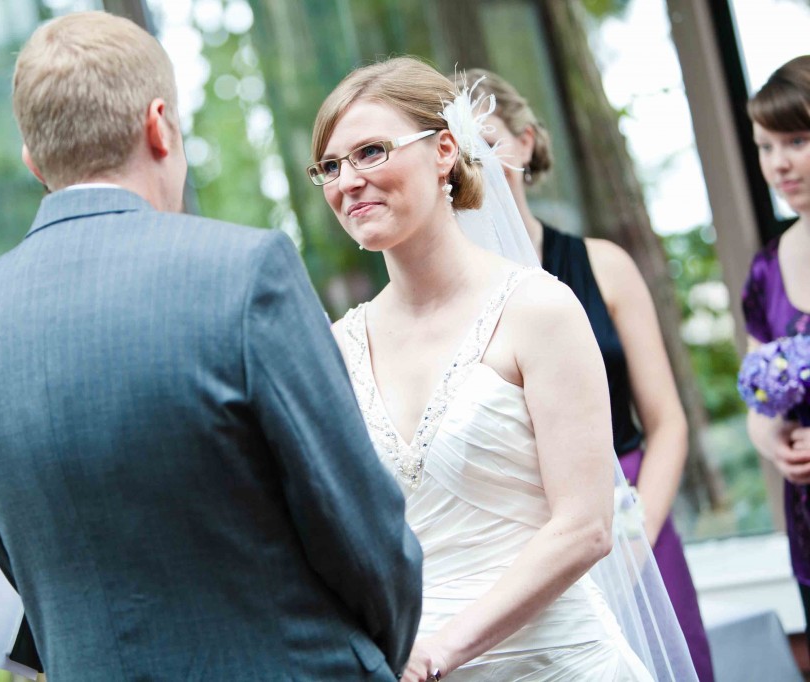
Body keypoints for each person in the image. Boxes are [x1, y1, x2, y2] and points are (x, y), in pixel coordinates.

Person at [0, 11, 422, 681]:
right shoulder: (245, 273)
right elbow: (363, 536)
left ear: (34, 162)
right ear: (159, 125)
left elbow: (22, 571)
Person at [310, 56, 697, 681]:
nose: (347, 181)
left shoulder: (537, 308)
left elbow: (586, 527)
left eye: (371, 152)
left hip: (554, 663)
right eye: (329, 166)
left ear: (443, 151)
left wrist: (441, 650)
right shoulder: (334, 346)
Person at [457, 67, 714, 681]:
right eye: (462, 150)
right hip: (524, 538)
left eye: (488, 140)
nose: (480, 162)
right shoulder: (462, 297)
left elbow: (666, 420)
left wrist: (636, 536)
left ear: (525, 141)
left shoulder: (604, 265)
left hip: (632, 508)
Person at [744, 54, 810, 652]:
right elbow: (756, 401)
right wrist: (775, 443)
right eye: (767, 147)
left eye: (796, 140)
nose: (779, 163)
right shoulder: (766, 268)